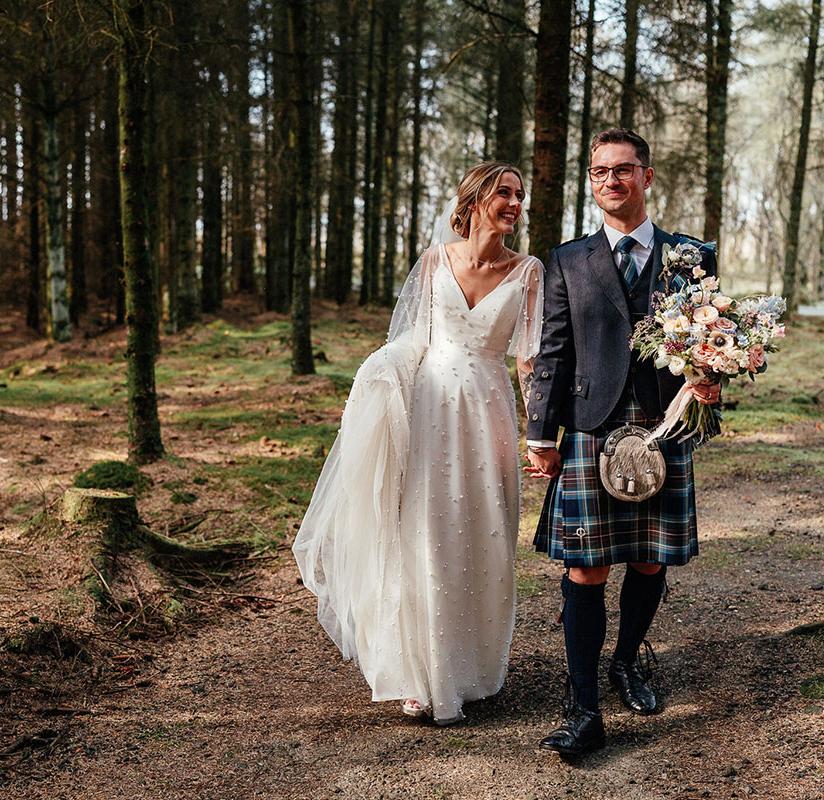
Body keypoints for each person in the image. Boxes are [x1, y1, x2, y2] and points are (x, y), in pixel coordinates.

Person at [293, 162, 544, 725]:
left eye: (520, 196)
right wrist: (377, 379)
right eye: (503, 192)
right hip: (429, 412)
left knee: (484, 535)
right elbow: (409, 340)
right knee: (424, 533)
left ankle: (471, 670)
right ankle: (415, 671)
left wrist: (539, 433)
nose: (513, 203)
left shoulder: (529, 271)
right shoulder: (434, 260)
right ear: (476, 199)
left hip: (489, 412)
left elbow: (529, 361)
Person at [524, 128, 721, 756]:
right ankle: (582, 708)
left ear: (648, 176)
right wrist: (539, 433)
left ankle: (627, 660)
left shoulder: (691, 255)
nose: (613, 180)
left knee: (649, 559)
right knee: (586, 568)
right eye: (602, 171)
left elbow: (709, 336)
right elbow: (553, 351)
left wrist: (711, 379)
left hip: (666, 424)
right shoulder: (568, 260)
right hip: (589, 426)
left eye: (625, 170)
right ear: (591, 180)